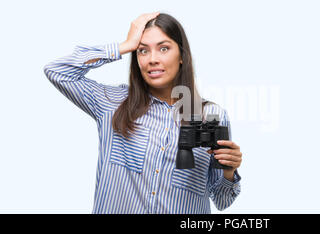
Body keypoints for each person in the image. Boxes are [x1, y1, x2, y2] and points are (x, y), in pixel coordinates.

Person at [43, 12, 242, 214]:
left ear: (182, 56)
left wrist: (229, 172)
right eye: (142, 51)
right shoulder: (111, 103)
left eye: (163, 48)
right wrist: (124, 46)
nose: (152, 59)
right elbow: (57, 71)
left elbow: (222, 200)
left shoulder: (211, 115)